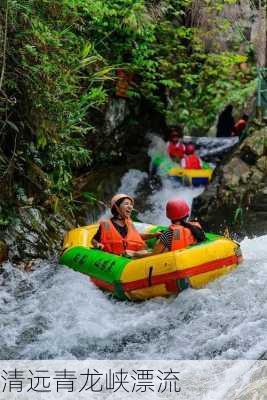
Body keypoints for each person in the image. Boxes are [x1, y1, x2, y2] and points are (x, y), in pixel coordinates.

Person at [92, 193, 161, 257]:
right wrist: (97, 244)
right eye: (126, 204)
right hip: (117, 258)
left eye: (131, 205)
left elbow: (137, 237)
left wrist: (153, 235)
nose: (130, 207)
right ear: (116, 207)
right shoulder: (106, 225)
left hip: (134, 257)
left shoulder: (129, 223)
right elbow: (94, 240)